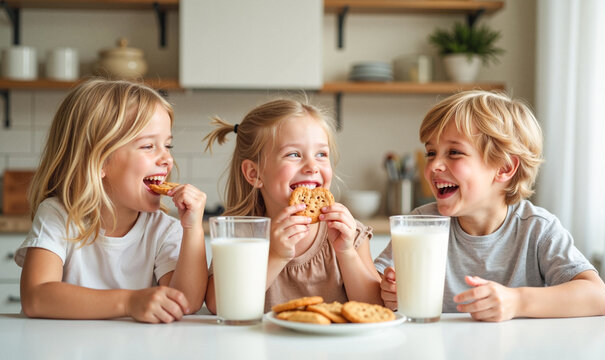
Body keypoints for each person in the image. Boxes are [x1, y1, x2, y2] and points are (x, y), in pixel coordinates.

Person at [376, 90, 605, 322]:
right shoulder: (420, 224)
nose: (434, 165)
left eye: (454, 152)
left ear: (504, 168)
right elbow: (373, 287)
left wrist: (517, 301)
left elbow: (598, 297)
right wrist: (386, 290)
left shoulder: (537, 229)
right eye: (431, 152)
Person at [14, 79, 208, 323]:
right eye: (148, 146)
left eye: (168, 145)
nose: (167, 159)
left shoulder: (162, 230)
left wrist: (193, 229)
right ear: (99, 161)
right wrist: (129, 302)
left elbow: (184, 302)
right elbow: (36, 297)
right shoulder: (58, 216)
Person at [203, 98, 382, 313]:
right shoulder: (239, 234)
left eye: (321, 154)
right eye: (294, 154)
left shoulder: (348, 232)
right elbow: (218, 305)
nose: (312, 166)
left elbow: (376, 307)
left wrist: (347, 253)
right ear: (254, 173)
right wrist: (276, 256)